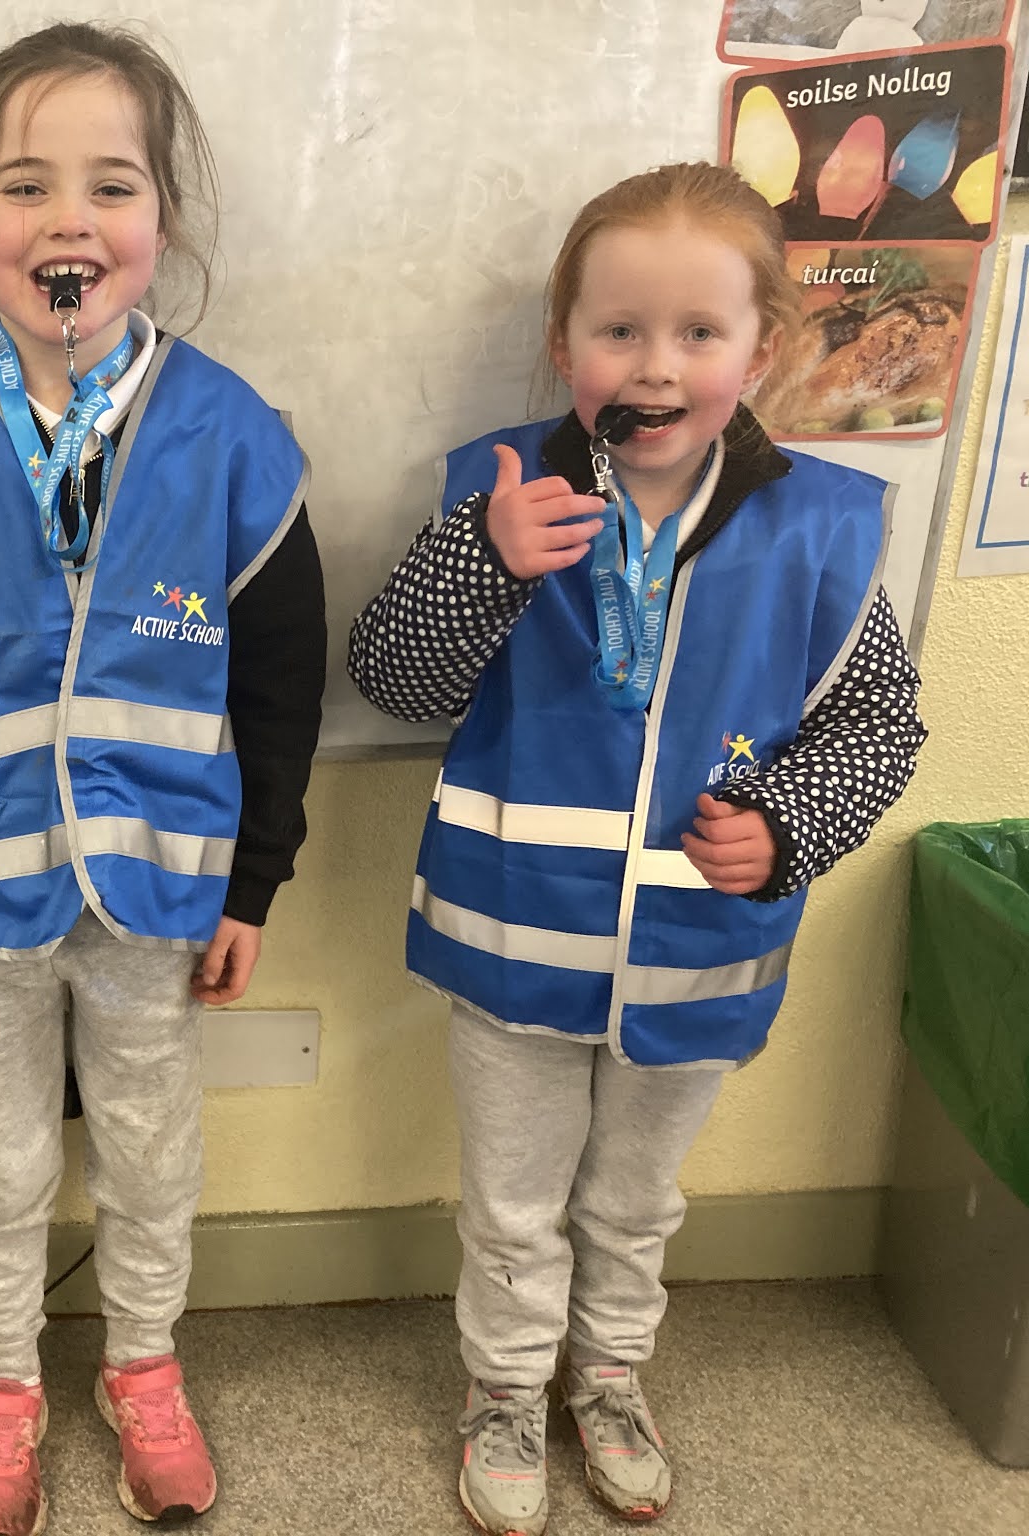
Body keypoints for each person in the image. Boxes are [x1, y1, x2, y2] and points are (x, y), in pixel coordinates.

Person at [348, 161, 926, 1535]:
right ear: (565, 346)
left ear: (762, 351)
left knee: (632, 1202)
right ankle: (500, 1388)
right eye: (619, 331)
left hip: (703, 957)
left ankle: (605, 1377)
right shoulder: (499, 495)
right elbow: (396, 679)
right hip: (512, 944)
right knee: (511, 1204)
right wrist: (482, 562)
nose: (654, 366)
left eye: (698, 334)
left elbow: (879, 726)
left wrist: (789, 826)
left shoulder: (826, 531)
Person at [0, 22, 326, 1536]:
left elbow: (281, 688)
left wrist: (255, 883)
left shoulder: (239, 441)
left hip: (163, 887)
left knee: (156, 1142)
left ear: (162, 222)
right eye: (24, 187)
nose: (68, 224)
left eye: (111, 185)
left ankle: (146, 1363)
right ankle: (4, 1382)